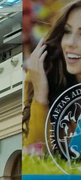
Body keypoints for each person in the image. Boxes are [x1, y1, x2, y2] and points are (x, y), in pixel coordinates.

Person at [23, 1, 81, 159]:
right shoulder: (44, 79)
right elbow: (36, 160)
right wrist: (41, 96)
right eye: (67, 31)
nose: (70, 42)